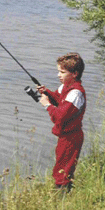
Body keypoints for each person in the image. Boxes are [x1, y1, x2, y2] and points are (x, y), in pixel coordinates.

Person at [37, 52, 86, 192]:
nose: (59, 75)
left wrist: (47, 105)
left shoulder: (76, 93)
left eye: (62, 72)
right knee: (60, 166)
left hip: (72, 137)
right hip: (64, 136)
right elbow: (58, 99)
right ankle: (62, 193)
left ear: (75, 73)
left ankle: (61, 197)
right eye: (58, 71)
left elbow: (60, 116)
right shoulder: (65, 87)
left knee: (64, 170)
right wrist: (46, 92)